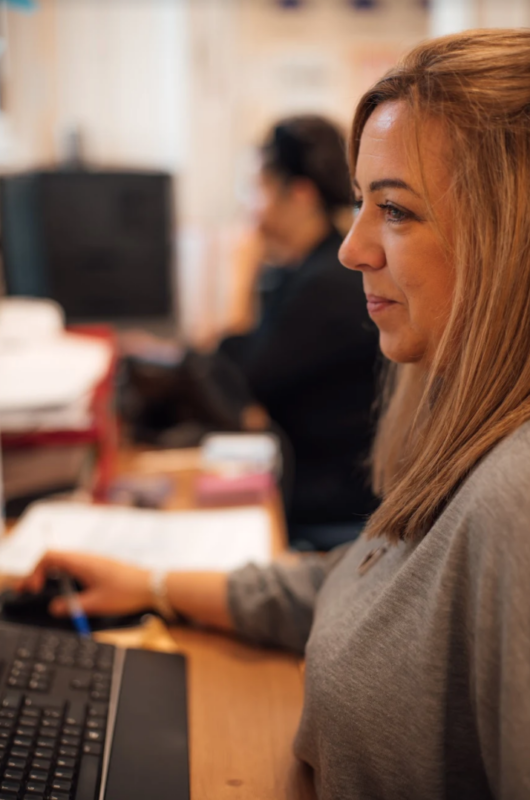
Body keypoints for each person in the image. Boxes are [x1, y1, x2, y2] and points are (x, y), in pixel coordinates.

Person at [19, 28, 530, 798]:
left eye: (394, 211)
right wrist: (154, 584)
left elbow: (240, 371)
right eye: (360, 203)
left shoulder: (516, 501)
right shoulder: (463, 431)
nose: (352, 248)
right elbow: (375, 585)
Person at [126, 115, 380, 549]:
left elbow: (242, 376)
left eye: (258, 187)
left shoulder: (327, 283)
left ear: (299, 194)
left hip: (329, 498)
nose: (250, 205)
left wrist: (241, 271)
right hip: (310, 476)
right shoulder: (304, 270)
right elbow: (239, 351)